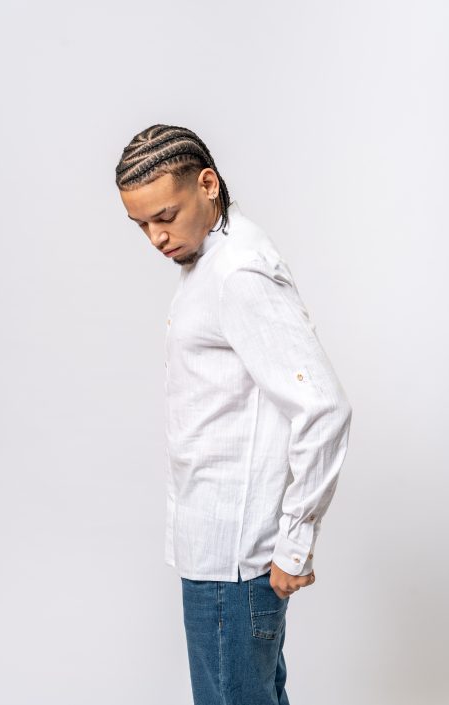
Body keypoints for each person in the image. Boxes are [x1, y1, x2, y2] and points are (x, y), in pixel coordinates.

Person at [115, 124, 353, 705]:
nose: (156, 237)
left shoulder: (237, 273)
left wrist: (295, 543)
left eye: (165, 216)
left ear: (208, 184)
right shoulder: (211, 260)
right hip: (216, 550)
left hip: (233, 563)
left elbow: (324, 407)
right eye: (141, 224)